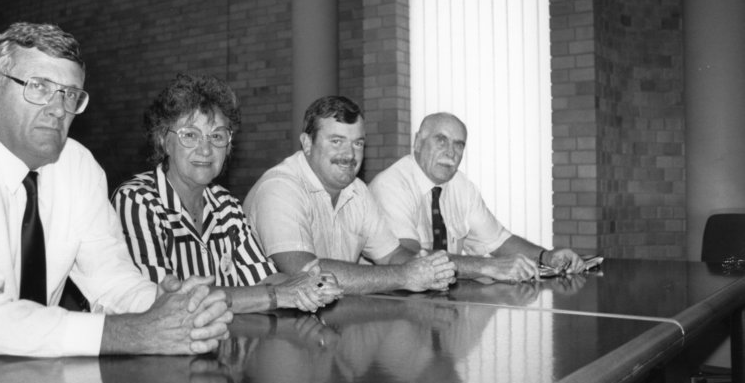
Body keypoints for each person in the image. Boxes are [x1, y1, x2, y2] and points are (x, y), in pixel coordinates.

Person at [0, 23, 231, 364]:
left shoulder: (77, 165)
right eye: (39, 88)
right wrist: (133, 331)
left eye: (69, 94)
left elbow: (112, 281)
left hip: (18, 374)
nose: (58, 108)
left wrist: (177, 310)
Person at [112, 73, 343, 313]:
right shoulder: (137, 201)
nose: (205, 149)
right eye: (190, 135)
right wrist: (275, 296)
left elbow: (264, 278)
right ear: (163, 140)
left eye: (217, 136)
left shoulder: (226, 206)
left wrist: (313, 284)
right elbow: (164, 302)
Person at [243, 95, 456, 294]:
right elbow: (305, 273)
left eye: (358, 143)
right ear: (307, 144)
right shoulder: (280, 188)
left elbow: (391, 255)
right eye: (336, 141)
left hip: (325, 319)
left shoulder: (357, 191)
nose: (350, 155)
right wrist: (404, 276)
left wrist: (428, 269)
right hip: (265, 324)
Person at [369, 111, 585, 282]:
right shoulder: (392, 185)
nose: (451, 152)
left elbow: (499, 240)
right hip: (390, 306)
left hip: (441, 301)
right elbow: (408, 258)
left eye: (459, 145)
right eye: (441, 140)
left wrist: (546, 257)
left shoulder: (461, 186)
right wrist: (486, 266)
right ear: (418, 142)